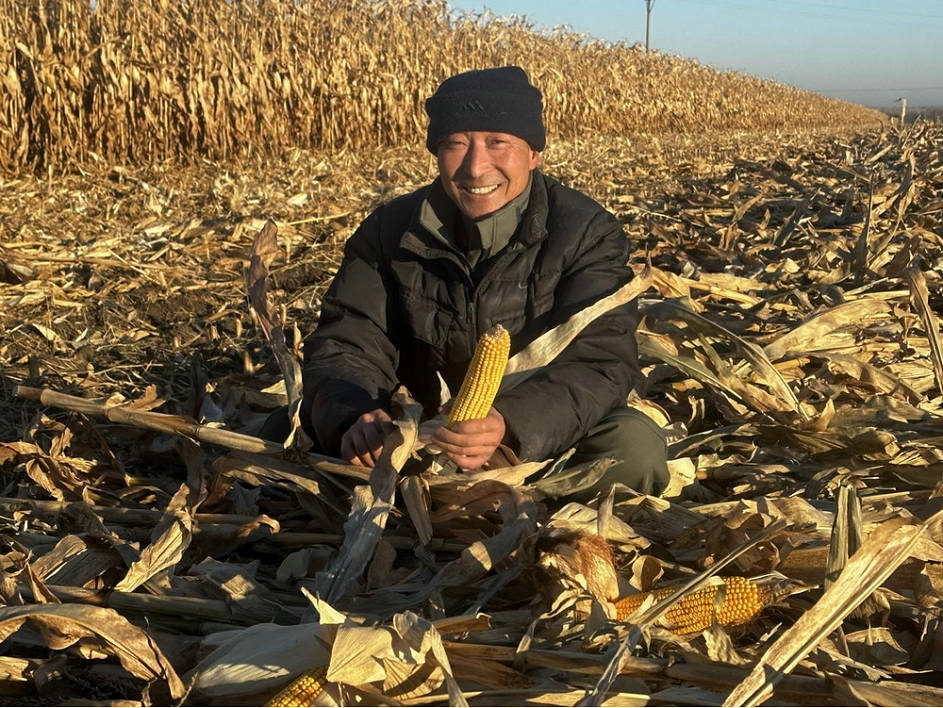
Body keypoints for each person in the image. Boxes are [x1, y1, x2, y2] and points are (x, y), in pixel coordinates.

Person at [296, 66, 669, 496]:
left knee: (634, 450)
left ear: (534, 153)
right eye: (456, 143)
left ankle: (538, 530)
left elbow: (603, 362)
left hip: (540, 442)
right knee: (295, 441)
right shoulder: (388, 233)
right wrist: (355, 415)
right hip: (421, 444)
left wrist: (509, 424)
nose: (475, 167)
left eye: (498, 142)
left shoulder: (586, 232)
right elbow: (347, 341)